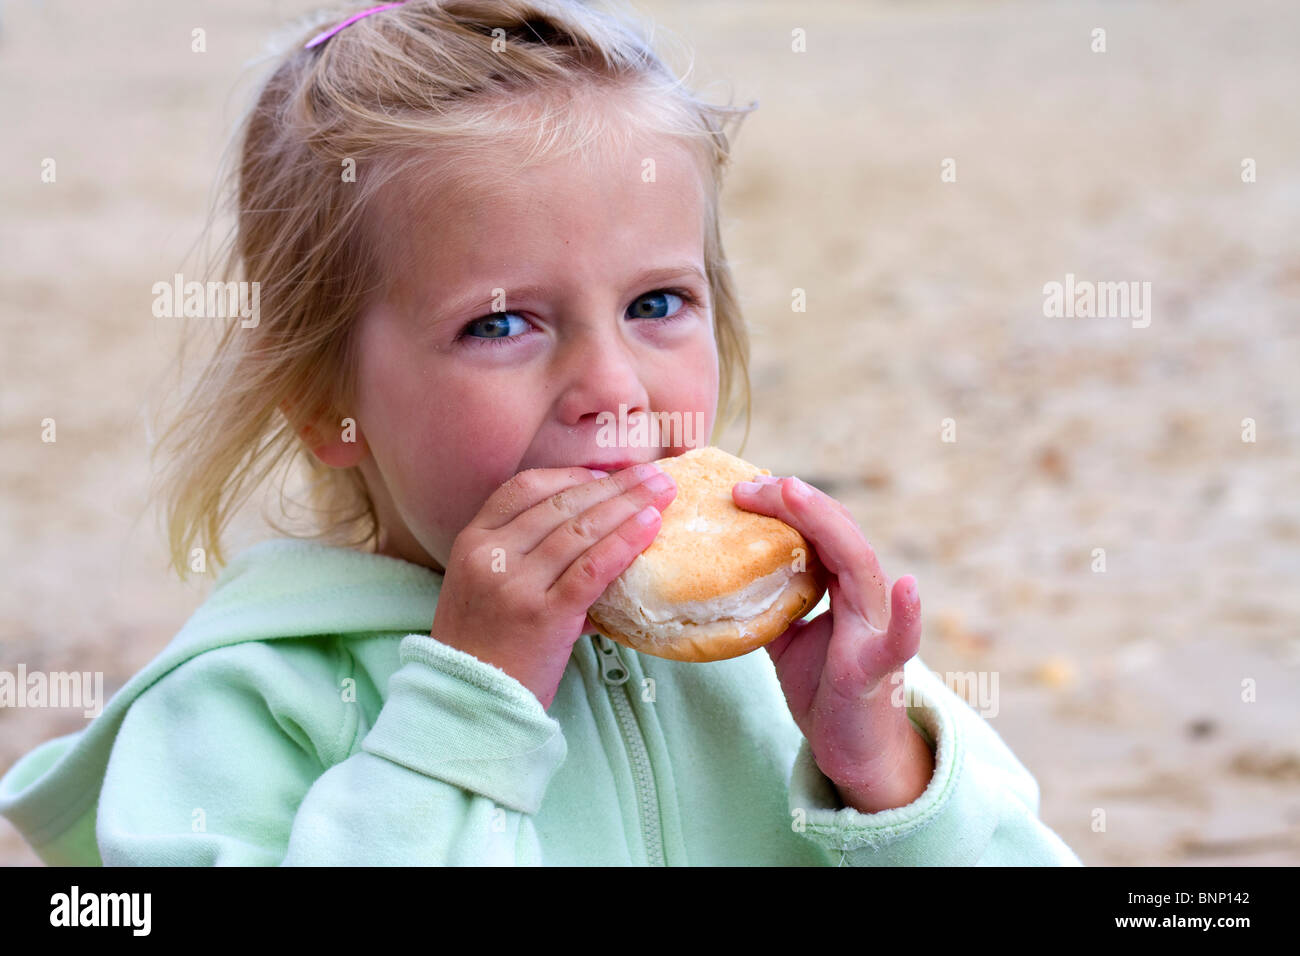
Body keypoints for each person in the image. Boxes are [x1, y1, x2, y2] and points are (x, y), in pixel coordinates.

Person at [0, 0, 1081, 865]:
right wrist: (469, 714)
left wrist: (884, 771)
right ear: (322, 397)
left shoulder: (774, 658)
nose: (610, 386)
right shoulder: (241, 706)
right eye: (502, 322)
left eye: (657, 304)